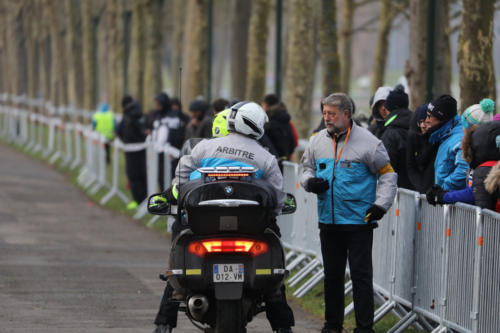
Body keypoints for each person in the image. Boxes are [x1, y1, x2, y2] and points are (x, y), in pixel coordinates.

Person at [153, 102, 294, 333]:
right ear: (257, 126)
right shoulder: (265, 156)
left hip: (202, 227)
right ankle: (282, 325)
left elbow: (180, 177)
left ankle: (164, 323)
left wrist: (177, 198)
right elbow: (278, 197)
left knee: (175, 272)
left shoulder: (205, 148)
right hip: (250, 230)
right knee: (274, 279)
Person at [300, 93, 397, 333]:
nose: (326, 118)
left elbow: (388, 175)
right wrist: (309, 182)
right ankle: (332, 325)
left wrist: (381, 205)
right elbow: (305, 168)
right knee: (332, 277)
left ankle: (364, 328)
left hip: (358, 222)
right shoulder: (317, 141)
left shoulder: (369, 143)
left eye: (331, 114)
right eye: (324, 113)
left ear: (346, 113)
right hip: (328, 220)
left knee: (361, 278)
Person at [426, 99, 497, 208]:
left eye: (464, 125)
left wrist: (443, 194)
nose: (462, 128)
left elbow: (472, 193)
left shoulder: (484, 164)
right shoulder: (482, 157)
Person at [425, 95, 469, 191]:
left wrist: (443, 191)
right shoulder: (446, 136)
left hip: (452, 202)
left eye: (429, 116)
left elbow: (463, 170)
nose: (426, 120)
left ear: (441, 118)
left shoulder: (458, 139)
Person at [148, 92, 189, 190]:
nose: (157, 106)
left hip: (172, 155)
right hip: (158, 154)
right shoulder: (158, 115)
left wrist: (173, 150)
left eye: (159, 104)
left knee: (170, 180)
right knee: (161, 179)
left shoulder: (174, 117)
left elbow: (177, 135)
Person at [116, 98, 148, 210]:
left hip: (129, 151)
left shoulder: (126, 117)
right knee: (144, 175)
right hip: (143, 150)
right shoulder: (142, 117)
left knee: (133, 177)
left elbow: (118, 131)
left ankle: (137, 201)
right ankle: (146, 199)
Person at [379, 85, 413, 189]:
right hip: (418, 193)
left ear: (389, 108)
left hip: (398, 193)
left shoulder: (390, 134)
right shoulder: (417, 127)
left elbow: (387, 167)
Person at [406, 104, 438, 193]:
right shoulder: (413, 137)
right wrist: (420, 187)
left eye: (426, 122)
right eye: (421, 121)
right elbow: (411, 166)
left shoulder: (437, 141)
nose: (423, 125)